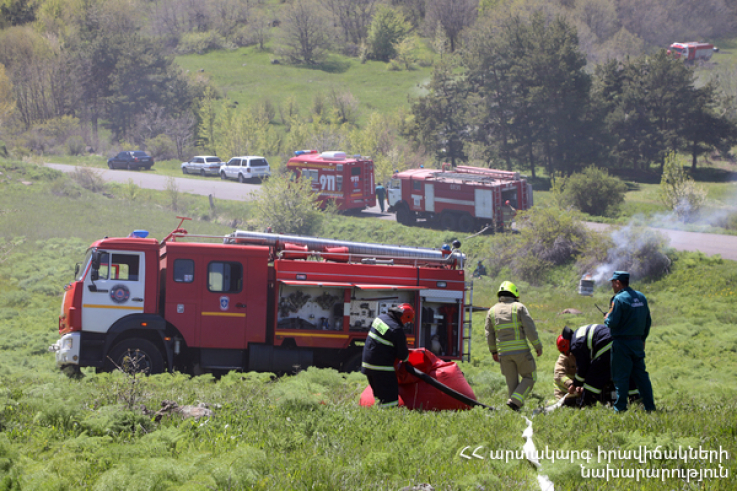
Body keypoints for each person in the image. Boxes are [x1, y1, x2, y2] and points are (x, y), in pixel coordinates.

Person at [485, 281, 542, 410]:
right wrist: (537, 346)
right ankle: (516, 401)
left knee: (512, 384)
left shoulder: (492, 311)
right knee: (530, 377)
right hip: (521, 352)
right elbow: (530, 329)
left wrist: (493, 351)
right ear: (514, 294)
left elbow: (489, 334)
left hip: (503, 354)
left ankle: (514, 409)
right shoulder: (519, 307)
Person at [605, 271, 656, 412]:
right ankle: (650, 407)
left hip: (622, 344)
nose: (612, 286)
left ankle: (620, 409)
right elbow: (648, 321)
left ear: (618, 282)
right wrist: (643, 339)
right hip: (637, 343)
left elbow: (612, 322)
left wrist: (606, 318)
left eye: (612, 283)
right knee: (642, 377)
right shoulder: (641, 297)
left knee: (621, 377)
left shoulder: (619, 299)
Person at [361, 303, 414, 408]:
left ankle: (378, 414)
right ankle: (388, 421)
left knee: (380, 397)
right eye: (407, 322)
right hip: (382, 368)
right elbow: (403, 356)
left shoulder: (380, 318)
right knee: (391, 401)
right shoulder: (397, 330)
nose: (405, 324)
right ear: (404, 318)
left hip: (367, 365)